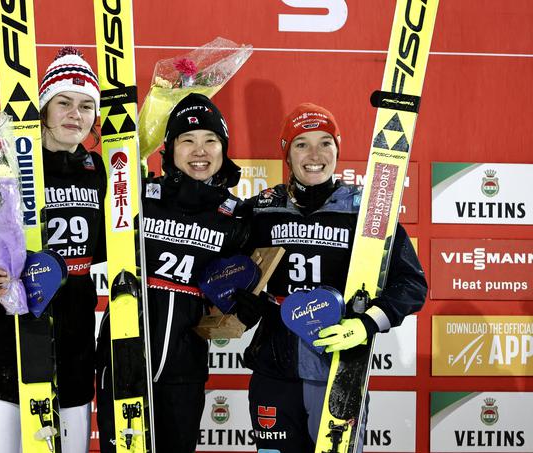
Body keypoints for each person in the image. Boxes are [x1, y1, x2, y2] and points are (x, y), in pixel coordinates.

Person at [233, 103, 427, 453]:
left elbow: (411, 284)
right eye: (301, 143)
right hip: (275, 371)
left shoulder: (365, 210)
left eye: (326, 142)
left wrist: (368, 323)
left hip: (340, 369)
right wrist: (241, 301)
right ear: (286, 152)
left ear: (338, 149)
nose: (315, 154)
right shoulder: (261, 209)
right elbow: (217, 253)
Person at [0, 47, 105, 453]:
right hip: (2, 344)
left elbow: (110, 247)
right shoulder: (5, 162)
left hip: (72, 347)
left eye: (86, 106)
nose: (75, 114)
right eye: (63, 102)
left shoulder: (101, 170)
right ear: (44, 107)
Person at [95, 93, 250, 452]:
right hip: (124, 356)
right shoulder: (139, 195)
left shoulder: (237, 216)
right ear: (170, 148)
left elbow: (241, 298)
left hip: (185, 367)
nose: (200, 151)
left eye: (211, 140)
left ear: (223, 149)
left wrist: (244, 310)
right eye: (188, 140)